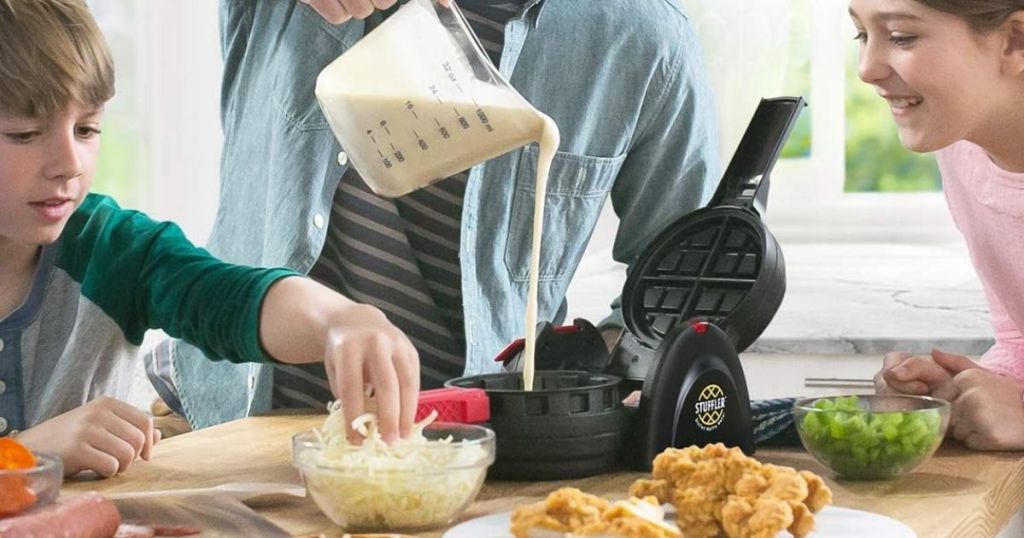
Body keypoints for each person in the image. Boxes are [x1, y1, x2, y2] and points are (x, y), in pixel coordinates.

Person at [150, 0, 721, 437]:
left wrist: (596, 377)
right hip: (228, 418)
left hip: (469, 450)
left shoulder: (644, 38)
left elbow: (693, 280)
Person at [0, 0, 416, 477]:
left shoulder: (110, 248)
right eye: (25, 134)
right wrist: (24, 458)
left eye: (87, 128)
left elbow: (225, 296)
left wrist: (339, 320)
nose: (69, 163)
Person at [851, 0, 1024, 450]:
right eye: (861, 35)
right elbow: (1018, 337)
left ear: (1015, 41)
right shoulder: (964, 148)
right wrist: (961, 389)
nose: (866, 70)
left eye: (901, 37)